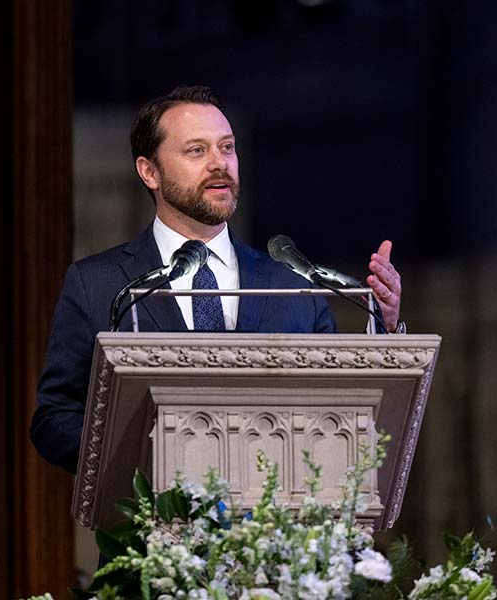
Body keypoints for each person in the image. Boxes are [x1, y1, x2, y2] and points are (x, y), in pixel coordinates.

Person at [30, 85, 403, 474]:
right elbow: (55, 419)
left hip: (275, 525)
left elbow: (345, 408)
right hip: (156, 520)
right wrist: (137, 458)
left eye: (226, 147)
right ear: (149, 171)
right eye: (197, 150)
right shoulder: (100, 284)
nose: (219, 164)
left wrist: (385, 327)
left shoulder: (291, 284)